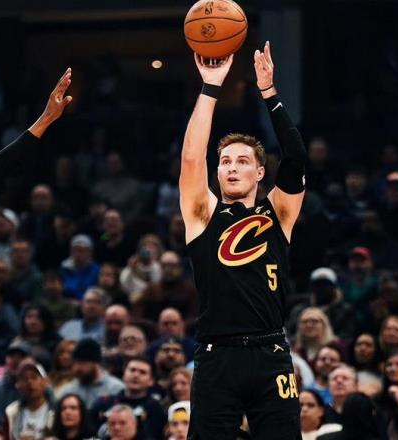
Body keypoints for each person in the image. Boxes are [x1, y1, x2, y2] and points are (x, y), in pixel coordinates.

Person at [179, 42, 306, 439]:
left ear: (259, 172)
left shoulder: (278, 211)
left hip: (271, 352)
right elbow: (191, 158)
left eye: (242, 161)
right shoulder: (202, 213)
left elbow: (296, 157)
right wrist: (211, 87)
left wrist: (269, 93)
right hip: (217, 354)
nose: (232, 168)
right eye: (225, 162)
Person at [90, 356, 166, 440]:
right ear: (124, 374)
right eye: (132, 370)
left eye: (142, 372)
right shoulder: (103, 403)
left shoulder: (156, 409)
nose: (136, 375)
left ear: (151, 381)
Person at [58, 338, 124, 409]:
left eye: (81, 363)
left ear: (95, 363)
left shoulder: (115, 388)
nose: (77, 368)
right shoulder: (69, 390)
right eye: (75, 363)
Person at [5, 359, 55, 440]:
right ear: (18, 385)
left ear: (45, 381)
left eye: (34, 377)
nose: (29, 382)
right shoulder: (11, 412)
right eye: (24, 379)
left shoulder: (57, 410)